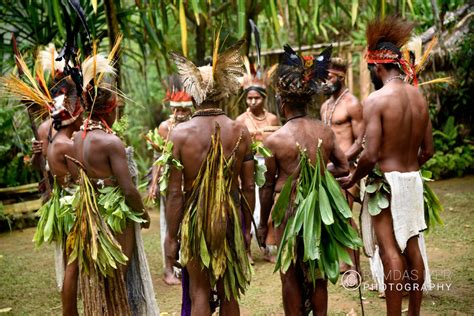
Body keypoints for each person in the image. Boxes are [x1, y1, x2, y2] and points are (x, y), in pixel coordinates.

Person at [339, 16, 434, 315]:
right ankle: (413, 312)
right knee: (413, 248)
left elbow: (370, 154)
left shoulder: (377, 100)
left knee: (391, 252)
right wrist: (409, 171)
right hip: (412, 179)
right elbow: (428, 151)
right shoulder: (419, 97)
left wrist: (354, 176)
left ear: (378, 67)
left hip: (387, 184)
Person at [258, 45, 359, 315]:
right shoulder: (324, 132)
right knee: (317, 271)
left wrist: (261, 225)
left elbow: (267, 187)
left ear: (283, 102)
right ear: (307, 100)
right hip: (318, 208)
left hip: (288, 211)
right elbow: (344, 166)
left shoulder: (274, 140)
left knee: (290, 272)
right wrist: (320, 175)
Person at [167, 39, 254, 315]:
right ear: (223, 93)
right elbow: (248, 186)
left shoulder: (180, 135)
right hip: (227, 216)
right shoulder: (240, 132)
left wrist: (171, 235)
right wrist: (245, 227)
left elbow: (174, 192)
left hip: (194, 219)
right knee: (228, 289)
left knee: (199, 290)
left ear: (194, 94)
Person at [68, 52, 157, 315]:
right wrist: (143, 215)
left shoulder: (77, 139)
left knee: (99, 276)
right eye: (117, 110)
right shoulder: (110, 142)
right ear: (109, 111)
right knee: (118, 276)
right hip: (113, 215)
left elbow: (77, 177)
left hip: (90, 212)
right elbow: (128, 188)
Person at [320, 57, 364, 287]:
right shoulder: (325, 106)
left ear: (341, 77)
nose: (326, 80)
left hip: (347, 170)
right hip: (328, 171)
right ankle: (343, 263)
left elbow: (360, 141)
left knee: (346, 218)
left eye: (329, 76)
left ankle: (355, 270)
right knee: (333, 219)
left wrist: (341, 162)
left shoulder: (352, 103)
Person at [148, 74, 193, 285]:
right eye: (177, 109)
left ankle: (186, 266)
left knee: (188, 224)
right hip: (171, 184)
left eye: (185, 110)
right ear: (171, 109)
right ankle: (168, 270)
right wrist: (153, 183)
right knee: (169, 226)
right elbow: (159, 158)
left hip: (191, 183)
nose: (181, 114)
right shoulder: (165, 128)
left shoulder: (195, 126)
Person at [236, 70, 280, 263]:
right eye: (249, 98)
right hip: (248, 165)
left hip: (268, 164)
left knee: (266, 205)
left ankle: (266, 246)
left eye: (256, 98)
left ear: (263, 98)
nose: (252, 102)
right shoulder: (240, 120)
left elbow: (277, 143)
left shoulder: (272, 119)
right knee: (248, 207)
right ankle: (246, 249)